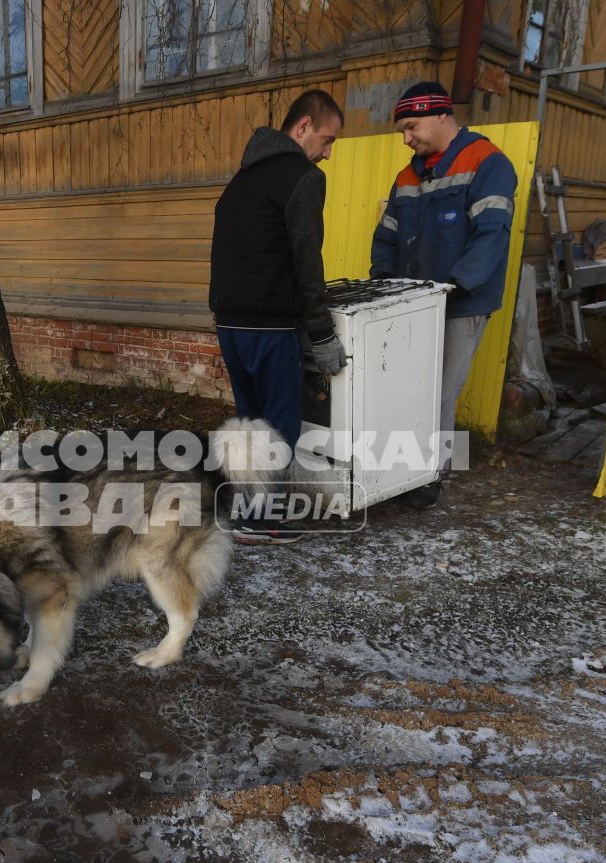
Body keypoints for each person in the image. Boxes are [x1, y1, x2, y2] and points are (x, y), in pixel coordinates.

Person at [369, 81, 518, 509]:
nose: (406, 138)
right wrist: (382, 282)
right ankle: (399, 469)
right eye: (402, 130)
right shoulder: (407, 175)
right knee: (404, 388)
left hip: (460, 304)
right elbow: (387, 236)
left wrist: (456, 284)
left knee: (438, 393)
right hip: (410, 303)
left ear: (440, 115)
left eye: (411, 126)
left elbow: (491, 234)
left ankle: (429, 477)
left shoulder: (487, 162)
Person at [208, 89, 346, 545]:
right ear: (303, 126)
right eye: (326, 140)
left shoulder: (241, 179)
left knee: (250, 423)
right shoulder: (301, 177)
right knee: (280, 425)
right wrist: (323, 334)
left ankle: (245, 507)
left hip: (230, 323)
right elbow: (307, 261)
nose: (326, 154)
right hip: (269, 325)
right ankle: (262, 519)